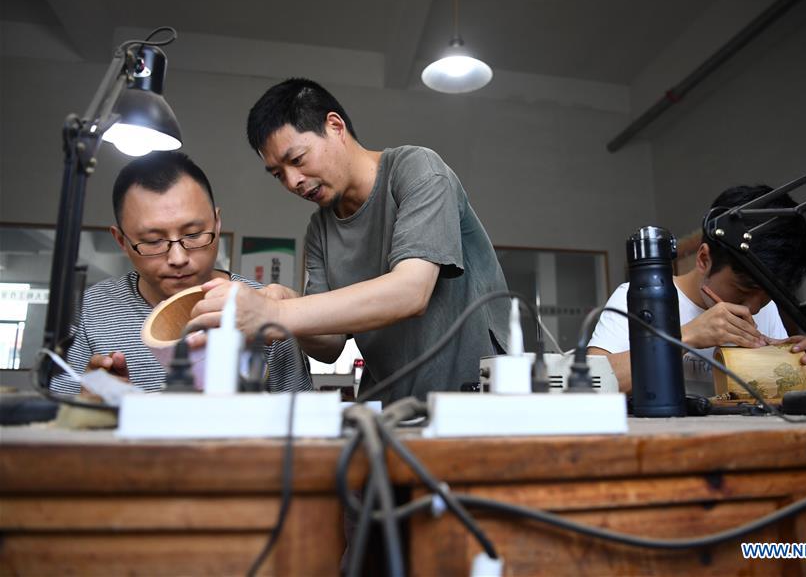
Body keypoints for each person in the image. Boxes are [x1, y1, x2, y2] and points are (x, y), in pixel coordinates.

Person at [190, 78, 509, 403]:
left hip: (473, 401)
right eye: (277, 174)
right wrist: (286, 302)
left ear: (335, 126)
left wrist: (274, 314)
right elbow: (329, 346)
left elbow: (412, 292)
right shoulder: (320, 229)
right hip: (392, 408)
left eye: (297, 160)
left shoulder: (418, 171)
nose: (292, 181)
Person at [51, 151, 309, 394]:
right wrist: (86, 404)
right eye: (153, 241)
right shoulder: (93, 310)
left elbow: (304, 424)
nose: (178, 258)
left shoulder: (261, 308)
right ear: (121, 241)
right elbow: (55, 427)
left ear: (217, 224)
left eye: (194, 234)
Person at [588, 184, 806, 395]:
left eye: (768, 295)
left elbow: (776, 398)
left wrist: (794, 365)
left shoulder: (764, 307)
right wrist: (686, 337)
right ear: (703, 259)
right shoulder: (640, 297)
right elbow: (591, 384)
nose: (752, 308)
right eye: (742, 289)